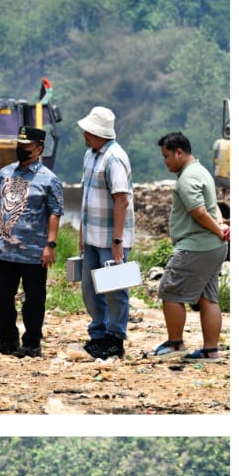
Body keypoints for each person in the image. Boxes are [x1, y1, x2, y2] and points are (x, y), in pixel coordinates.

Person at [0, 126, 63, 358]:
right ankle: (8, 339)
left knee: (34, 299)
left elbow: (55, 213)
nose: (21, 150)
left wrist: (50, 245)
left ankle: (31, 343)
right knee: (1, 296)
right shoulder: (5, 173)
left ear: (39, 149)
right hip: (6, 249)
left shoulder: (49, 180)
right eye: (19, 146)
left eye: (26, 147)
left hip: (34, 251)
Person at [153, 132, 228, 360]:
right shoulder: (201, 171)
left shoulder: (187, 178)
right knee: (208, 297)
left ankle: (175, 344)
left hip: (197, 245)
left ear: (179, 152)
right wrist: (221, 229)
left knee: (170, 291)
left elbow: (199, 212)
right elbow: (211, 207)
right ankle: (210, 350)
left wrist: (219, 230)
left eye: (166, 156)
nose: (165, 161)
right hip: (212, 247)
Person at [76, 106, 133, 360]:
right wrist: (81, 231)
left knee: (114, 291)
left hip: (111, 239)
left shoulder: (115, 158)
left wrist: (117, 240)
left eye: (89, 131)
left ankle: (115, 339)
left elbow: (121, 199)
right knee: (89, 289)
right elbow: (87, 195)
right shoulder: (91, 156)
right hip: (91, 236)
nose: (85, 135)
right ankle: (98, 334)